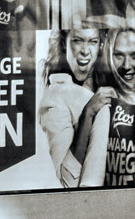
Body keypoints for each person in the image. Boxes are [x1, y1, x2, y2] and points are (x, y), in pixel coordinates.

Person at [73, 21, 135, 187]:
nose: (127, 66)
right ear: (109, 57)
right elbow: (73, 172)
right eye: (118, 55)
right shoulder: (100, 102)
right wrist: (88, 112)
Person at [38, 24, 102, 186]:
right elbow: (67, 181)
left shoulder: (116, 80)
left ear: (101, 45)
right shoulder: (55, 97)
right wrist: (88, 114)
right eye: (77, 41)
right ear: (63, 44)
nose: (85, 51)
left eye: (93, 41)